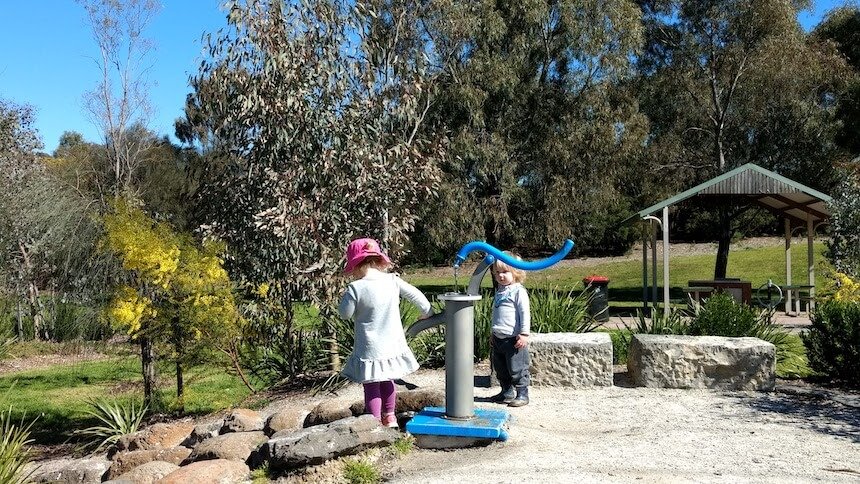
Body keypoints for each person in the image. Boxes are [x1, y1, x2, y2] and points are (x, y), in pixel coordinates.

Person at [338, 238, 433, 428]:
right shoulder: (392, 281)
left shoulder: (356, 288)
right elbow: (418, 297)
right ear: (378, 260)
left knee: (371, 384)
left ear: (355, 265)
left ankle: (373, 423)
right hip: (392, 344)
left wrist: (348, 300)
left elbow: (345, 314)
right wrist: (427, 313)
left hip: (369, 347)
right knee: (388, 379)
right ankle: (390, 417)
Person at [489, 253, 531, 407]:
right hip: (498, 337)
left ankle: (522, 393)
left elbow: (524, 313)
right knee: (501, 368)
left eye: (505, 272)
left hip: (513, 339)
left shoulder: (518, 291)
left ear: (516, 272)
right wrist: (493, 332)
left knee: (517, 368)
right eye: (497, 272)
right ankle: (506, 392)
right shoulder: (500, 291)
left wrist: (524, 333)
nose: (501, 276)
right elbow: (496, 314)